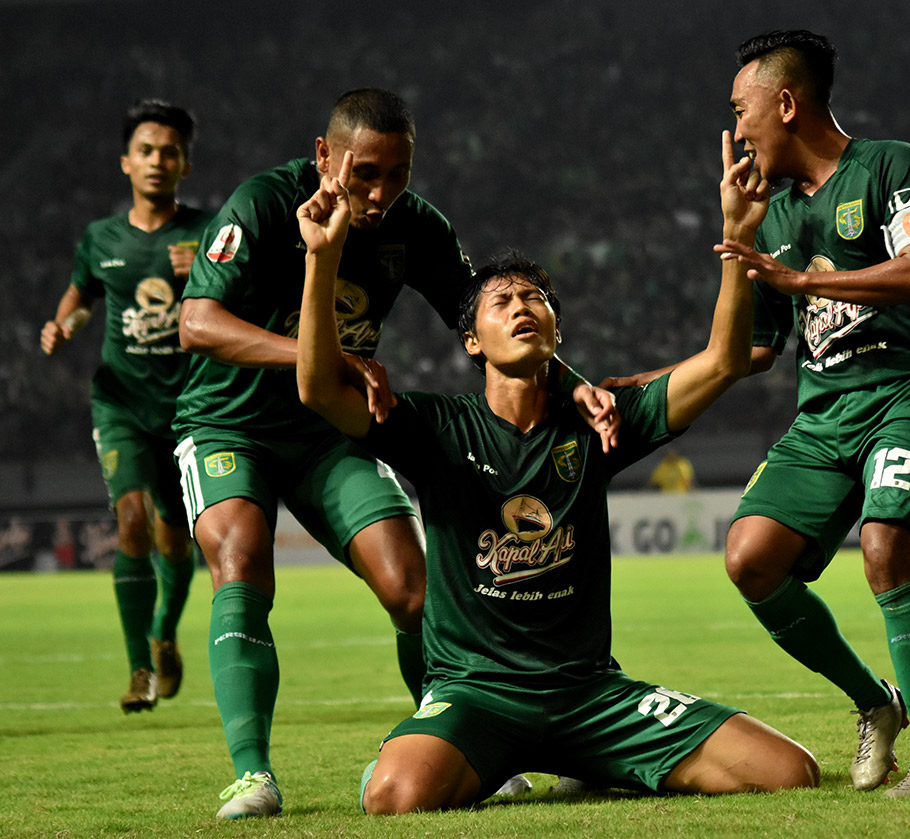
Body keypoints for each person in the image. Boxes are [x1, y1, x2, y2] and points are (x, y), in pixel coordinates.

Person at [293, 135, 819, 814]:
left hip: (589, 694)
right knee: (395, 795)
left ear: (555, 331)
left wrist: (737, 234)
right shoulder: (434, 427)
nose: (520, 305)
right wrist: (320, 257)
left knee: (788, 771)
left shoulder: (600, 423)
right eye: (501, 300)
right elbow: (316, 388)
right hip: (477, 695)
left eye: (535, 297)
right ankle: (456, 752)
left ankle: (593, 760)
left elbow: (722, 361)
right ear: (472, 341)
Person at [174, 88, 616, 819]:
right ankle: (253, 776)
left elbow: (484, 317)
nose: (381, 194)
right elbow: (196, 322)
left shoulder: (415, 227)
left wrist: (576, 386)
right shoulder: (262, 204)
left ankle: (463, 739)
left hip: (329, 436)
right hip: (229, 424)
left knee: (412, 587)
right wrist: (324, 356)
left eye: (398, 174)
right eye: (365, 173)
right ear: (324, 156)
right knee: (242, 558)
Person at [710, 29, 910, 798]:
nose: (733, 130)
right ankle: (874, 702)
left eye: (740, 109)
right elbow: (749, 352)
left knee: (887, 550)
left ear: (786, 103)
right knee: (749, 558)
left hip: (905, 389)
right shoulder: (773, 213)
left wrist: (803, 285)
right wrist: (631, 386)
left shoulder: (889, 163)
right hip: (822, 416)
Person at [41, 99, 210, 714]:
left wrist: (211, 277)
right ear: (125, 162)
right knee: (132, 522)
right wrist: (64, 325)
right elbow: (82, 298)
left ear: (186, 163)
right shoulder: (100, 238)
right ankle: (139, 666)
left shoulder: (208, 232)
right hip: (120, 404)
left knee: (176, 543)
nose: (157, 160)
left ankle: (165, 633)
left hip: (187, 409)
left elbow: (239, 304)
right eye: (145, 150)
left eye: (169, 151)